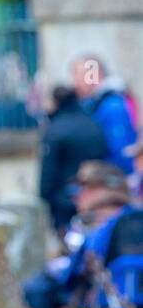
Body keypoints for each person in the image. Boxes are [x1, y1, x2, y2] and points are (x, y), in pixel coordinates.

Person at [24, 161, 137, 308]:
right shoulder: (133, 216)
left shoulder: (95, 226)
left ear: (98, 191)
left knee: (38, 288)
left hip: (100, 304)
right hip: (120, 301)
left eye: (81, 190)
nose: (76, 197)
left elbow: (70, 273)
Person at [40, 85, 109, 234]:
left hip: (63, 201)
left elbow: (48, 171)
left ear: (56, 102)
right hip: (95, 198)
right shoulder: (93, 123)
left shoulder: (55, 130)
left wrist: (44, 195)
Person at [72, 54, 138, 176]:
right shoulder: (92, 104)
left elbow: (121, 151)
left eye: (77, 74)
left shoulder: (112, 105)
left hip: (114, 180)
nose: (75, 82)